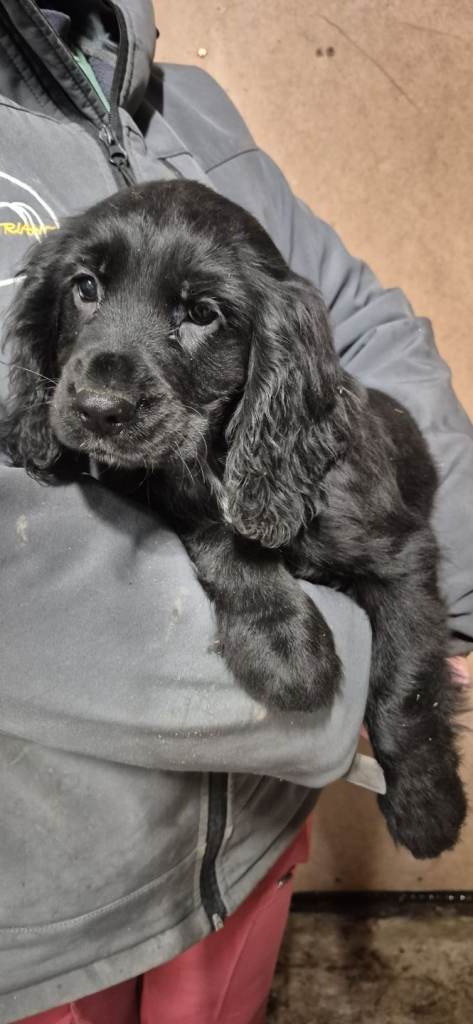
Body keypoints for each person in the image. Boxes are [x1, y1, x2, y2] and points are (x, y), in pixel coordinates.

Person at [0, 2, 471, 1022]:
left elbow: (360, 328)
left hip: (250, 845)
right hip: (44, 918)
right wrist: (311, 661)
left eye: (197, 311)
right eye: (86, 290)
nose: (103, 383)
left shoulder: (192, 109)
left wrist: (421, 698)